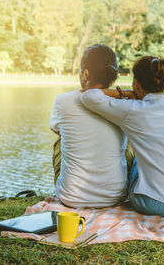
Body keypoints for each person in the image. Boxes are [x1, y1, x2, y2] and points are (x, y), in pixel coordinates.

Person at [80, 56, 164, 217]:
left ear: (136, 83)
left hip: (155, 203)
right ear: (163, 84)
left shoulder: (133, 110)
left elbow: (88, 96)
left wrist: (125, 93)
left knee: (135, 158)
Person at [50, 44, 129, 208]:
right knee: (129, 145)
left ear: (85, 73)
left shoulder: (63, 101)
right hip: (114, 198)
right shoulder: (124, 103)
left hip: (71, 198)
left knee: (60, 141)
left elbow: (56, 129)